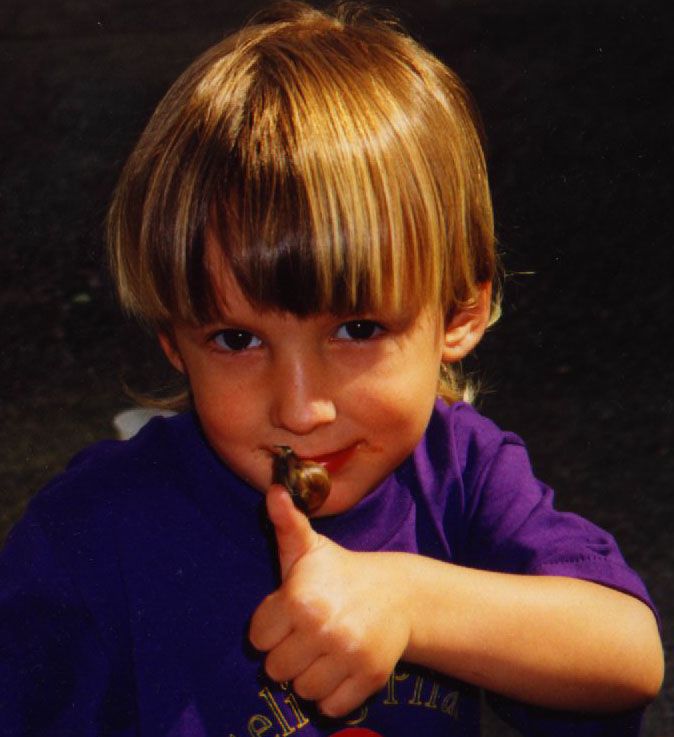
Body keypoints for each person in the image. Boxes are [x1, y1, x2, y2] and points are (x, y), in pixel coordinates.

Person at [0, 2, 663, 735]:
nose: (301, 407)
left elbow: (628, 655)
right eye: (235, 339)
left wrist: (410, 601)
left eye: (356, 328)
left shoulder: (462, 476)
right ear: (172, 340)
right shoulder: (89, 533)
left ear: (459, 316)